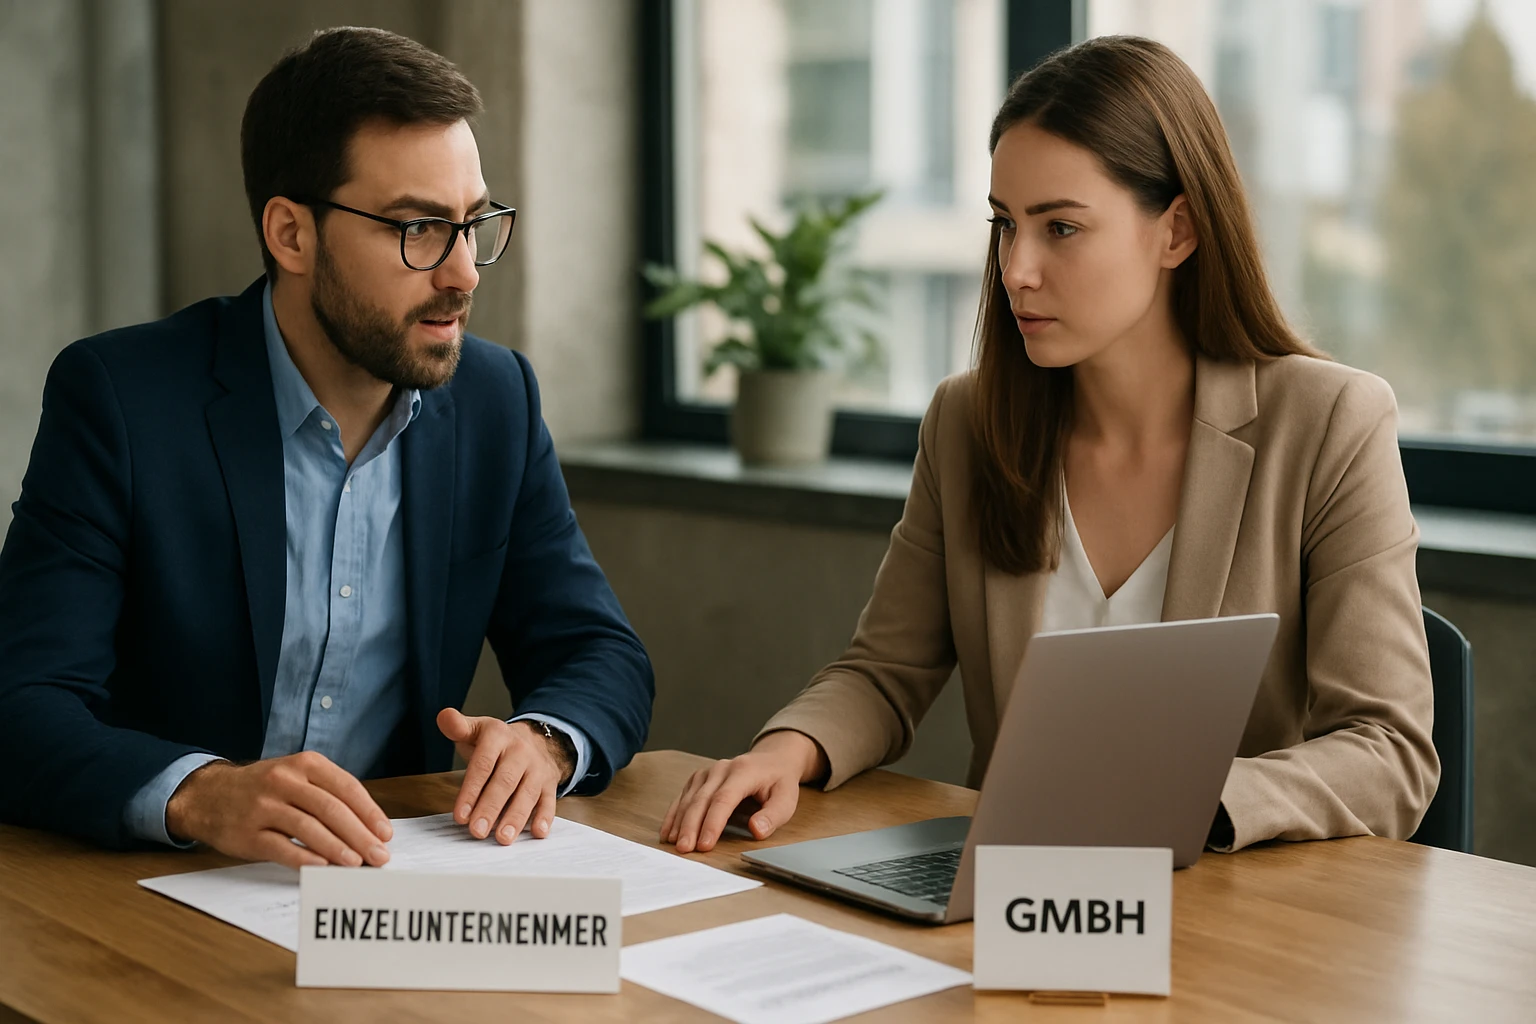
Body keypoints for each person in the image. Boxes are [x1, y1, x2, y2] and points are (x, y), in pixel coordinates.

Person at [661, 35, 1438, 856]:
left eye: (1060, 228)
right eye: (1005, 225)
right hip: (1017, 901)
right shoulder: (967, 426)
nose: (1016, 269)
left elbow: (1388, 750)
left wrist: (1190, 800)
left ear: (1176, 232)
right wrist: (786, 752)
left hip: (1228, 906)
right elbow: (884, 674)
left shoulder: (1330, 424)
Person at [0, 27, 653, 868]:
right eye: (419, 228)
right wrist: (199, 792)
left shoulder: (497, 400)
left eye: (473, 223)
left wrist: (546, 742)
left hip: (387, 887)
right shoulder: (123, 401)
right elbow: (20, 704)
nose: (464, 273)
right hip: (158, 884)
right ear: (291, 234)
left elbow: (599, 652)